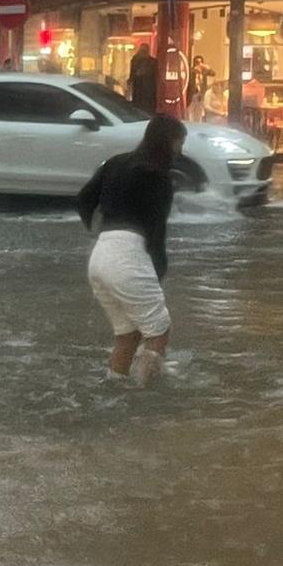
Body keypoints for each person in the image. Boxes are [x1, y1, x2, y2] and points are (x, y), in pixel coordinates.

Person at [77, 114, 188, 386]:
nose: (180, 150)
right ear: (169, 142)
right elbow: (155, 230)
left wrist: (100, 231)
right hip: (128, 256)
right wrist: (159, 268)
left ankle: (115, 385)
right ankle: (144, 395)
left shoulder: (116, 163)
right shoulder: (159, 178)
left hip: (100, 254)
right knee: (159, 331)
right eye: (179, 143)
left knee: (128, 335)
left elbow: (83, 200)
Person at [128, 42, 159, 113]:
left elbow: (132, 74)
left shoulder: (135, 60)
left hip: (144, 90)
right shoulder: (152, 62)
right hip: (146, 90)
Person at [187, 55, 214, 121]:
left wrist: (207, 68)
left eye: (200, 62)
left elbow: (213, 73)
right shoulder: (191, 71)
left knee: (199, 115)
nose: (199, 64)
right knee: (190, 114)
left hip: (201, 95)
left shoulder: (204, 71)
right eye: (197, 62)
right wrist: (194, 70)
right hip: (192, 95)